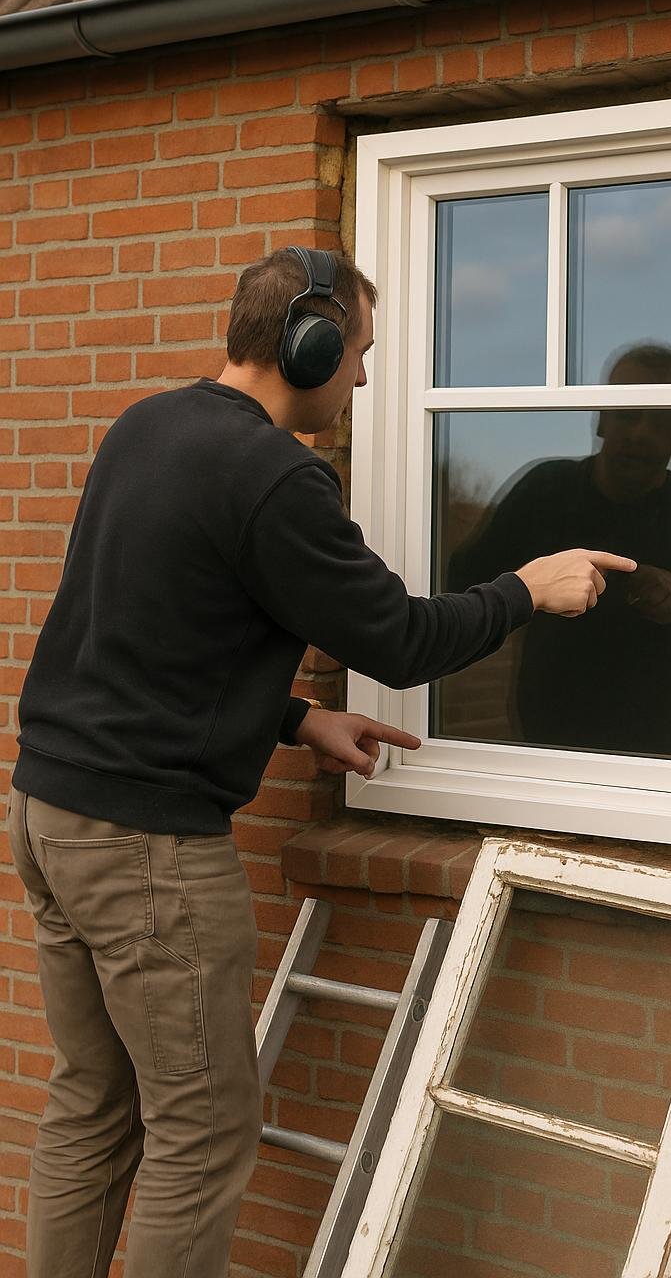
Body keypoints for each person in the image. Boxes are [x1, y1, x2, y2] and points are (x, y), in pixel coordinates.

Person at [6, 244, 635, 1278]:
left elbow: (154, 635)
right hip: (146, 850)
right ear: (308, 346)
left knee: (92, 1105)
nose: (365, 379)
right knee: (203, 1133)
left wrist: (294, 720)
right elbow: (399, 640)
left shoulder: (145, 426)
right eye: (359, 353)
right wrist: (527, 588)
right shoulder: (277, 475)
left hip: (51, 814)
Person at [445, 344, 671, 758]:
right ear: (602, 420)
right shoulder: (545, 492)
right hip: (550, 736)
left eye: (660, 420)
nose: (639, 433)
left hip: (666, 748)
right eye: (628, 414)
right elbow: (462, 583)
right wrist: (534, 588)